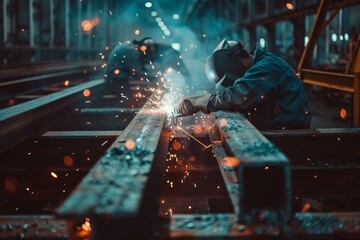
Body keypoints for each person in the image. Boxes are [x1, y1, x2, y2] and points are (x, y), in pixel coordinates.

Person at [174, 39, 311, 130]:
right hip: (279, 128)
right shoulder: (261, 64)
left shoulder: (265, 67)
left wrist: (199, 101)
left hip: (289, 134)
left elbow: (239, 95)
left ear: (231, 62)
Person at [105, 37, 190, 93]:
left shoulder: (132, 47)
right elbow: (139, 73)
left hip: (120, 78)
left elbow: (141, 70)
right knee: (128, 98)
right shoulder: (131, 51)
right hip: (116, 79)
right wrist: (157, 78)